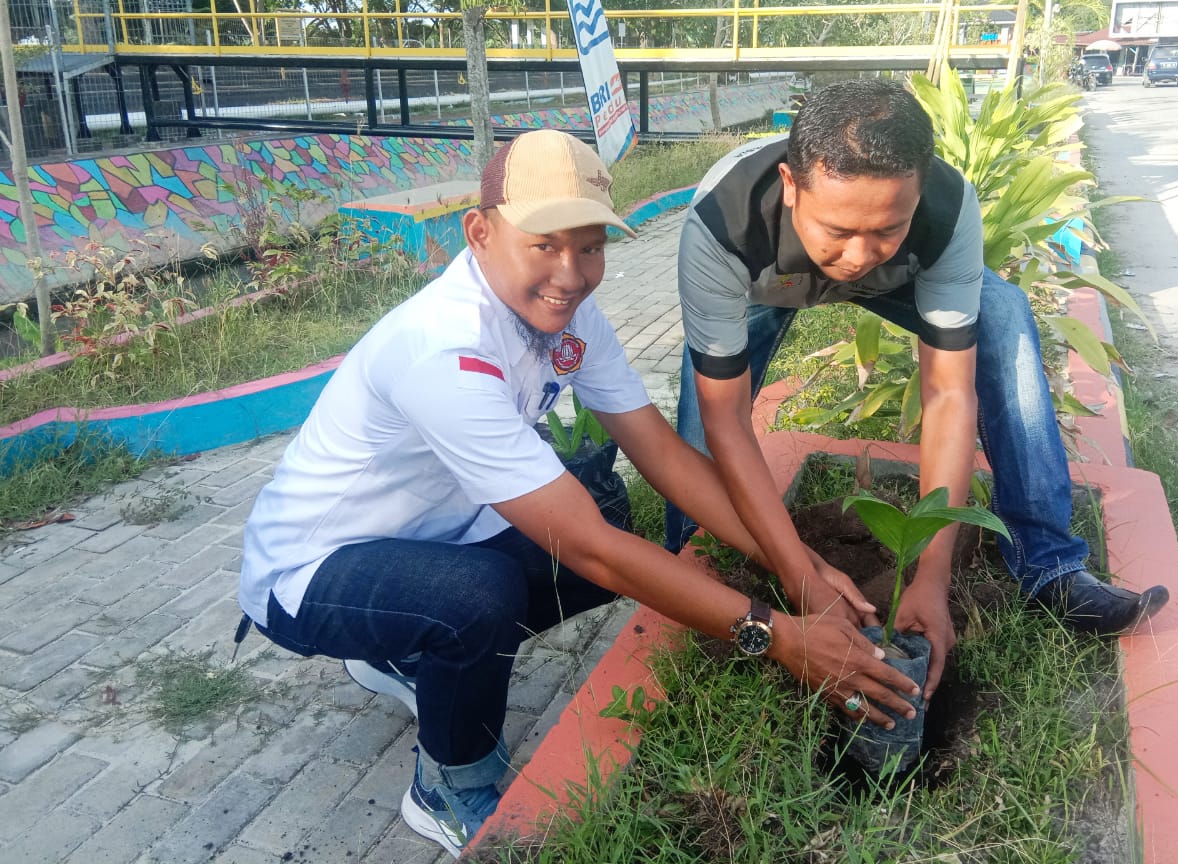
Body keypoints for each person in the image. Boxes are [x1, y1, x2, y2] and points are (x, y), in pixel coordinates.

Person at [237, 129, 915, 859]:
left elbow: (656, 447)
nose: (571, 272)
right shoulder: (443, 349)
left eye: (589, 246)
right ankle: (449, 785)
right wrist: (775, 636)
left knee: (609, 511)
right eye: (545, 244)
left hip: (435, 538)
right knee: (480, 596)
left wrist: (800, 569)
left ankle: (407, 652)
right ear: (480, 232)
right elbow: (593, 553)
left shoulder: (568, 316)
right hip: (312, 572)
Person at [665, 79, 1170, 703]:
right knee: (700, 415)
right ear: (793, 187)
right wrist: (800, 575)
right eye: (840, 230)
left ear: (918, 194)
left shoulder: (946, 207)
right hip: (764, 286)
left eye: (887, 228)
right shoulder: (722, 222)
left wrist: (932, 573)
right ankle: (694, 566)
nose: (859, 255)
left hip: (901, 285)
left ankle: (1050, 565)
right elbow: (729, 422)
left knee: (1005, 315)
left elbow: (947, 397)